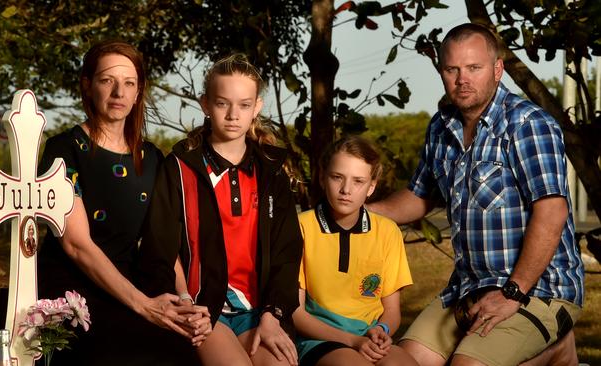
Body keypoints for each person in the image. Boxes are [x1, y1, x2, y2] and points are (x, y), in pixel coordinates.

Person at [367, 23, 584, 366]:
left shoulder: (526, 124)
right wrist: (361, 213)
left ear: (497, 69)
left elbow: (552, 212)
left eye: (474, 68)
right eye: (452, 69)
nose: (462, 79)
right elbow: (420, 197)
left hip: (537, 290)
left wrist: (514, 292)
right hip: (468, 288)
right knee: (393, 361)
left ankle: (555, 349)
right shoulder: (441, 128)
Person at [37, 40, 210, 365]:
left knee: (180, 350)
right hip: (76, 289)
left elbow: (163, 245)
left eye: (129, 83)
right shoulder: (63, 151)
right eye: (107, 80)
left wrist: (184, 300)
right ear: (87, 86)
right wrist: (144, 306)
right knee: (128, 352)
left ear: (138, 91)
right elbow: (77, 245)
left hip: (136, 281)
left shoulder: (153, 158)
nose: (119, 92)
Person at [137, 54, 303, 366]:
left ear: (256, 108)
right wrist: (184, 302)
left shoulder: (272, 171)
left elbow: (287, 251)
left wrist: (273, 314)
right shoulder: (180, 167)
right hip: (204, 310)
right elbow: (162, 247)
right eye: (222, 103)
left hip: (260, 311)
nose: (232, 114)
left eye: (243, 104)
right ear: (205, 104)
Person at [293, 136, 418, 366]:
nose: (346, 190)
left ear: (371, 187)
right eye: (337, 177)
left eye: (358, 181)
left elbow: (392, 310)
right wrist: (352, 341)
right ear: (322, 177)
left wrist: (382, 329)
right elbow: (297, 314)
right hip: (319, 340)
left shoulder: (387, 232)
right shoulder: (301, 227)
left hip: (369, 336)